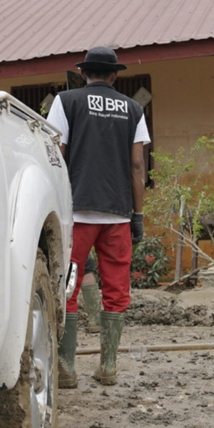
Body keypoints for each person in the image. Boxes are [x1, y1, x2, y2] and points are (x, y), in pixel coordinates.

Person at [49, 46, 150, 387]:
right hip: (118, 213)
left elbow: (55, 156)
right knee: (117, 288)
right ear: (115, 75)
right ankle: (108, 366)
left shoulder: (67, 101)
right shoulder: (134, 108)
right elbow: (138, 165)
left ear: (83, 73)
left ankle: (66, 369)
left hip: (75, 212)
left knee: (68, 286)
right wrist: (137, 214)